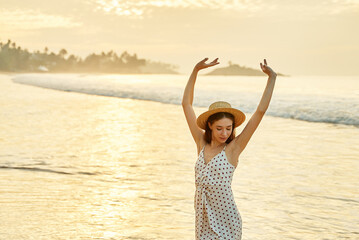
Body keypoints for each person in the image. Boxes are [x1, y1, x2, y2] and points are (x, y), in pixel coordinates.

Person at [181, 57, 277, 239]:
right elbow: (186, 105)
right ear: (209, 125)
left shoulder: (233, 149)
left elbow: (260, 112)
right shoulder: (201, 143)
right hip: (203, 219)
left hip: (226, 221)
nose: (224, 133)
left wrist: (272, 78)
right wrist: (195, 71)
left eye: (228, 128)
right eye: (219, 128)